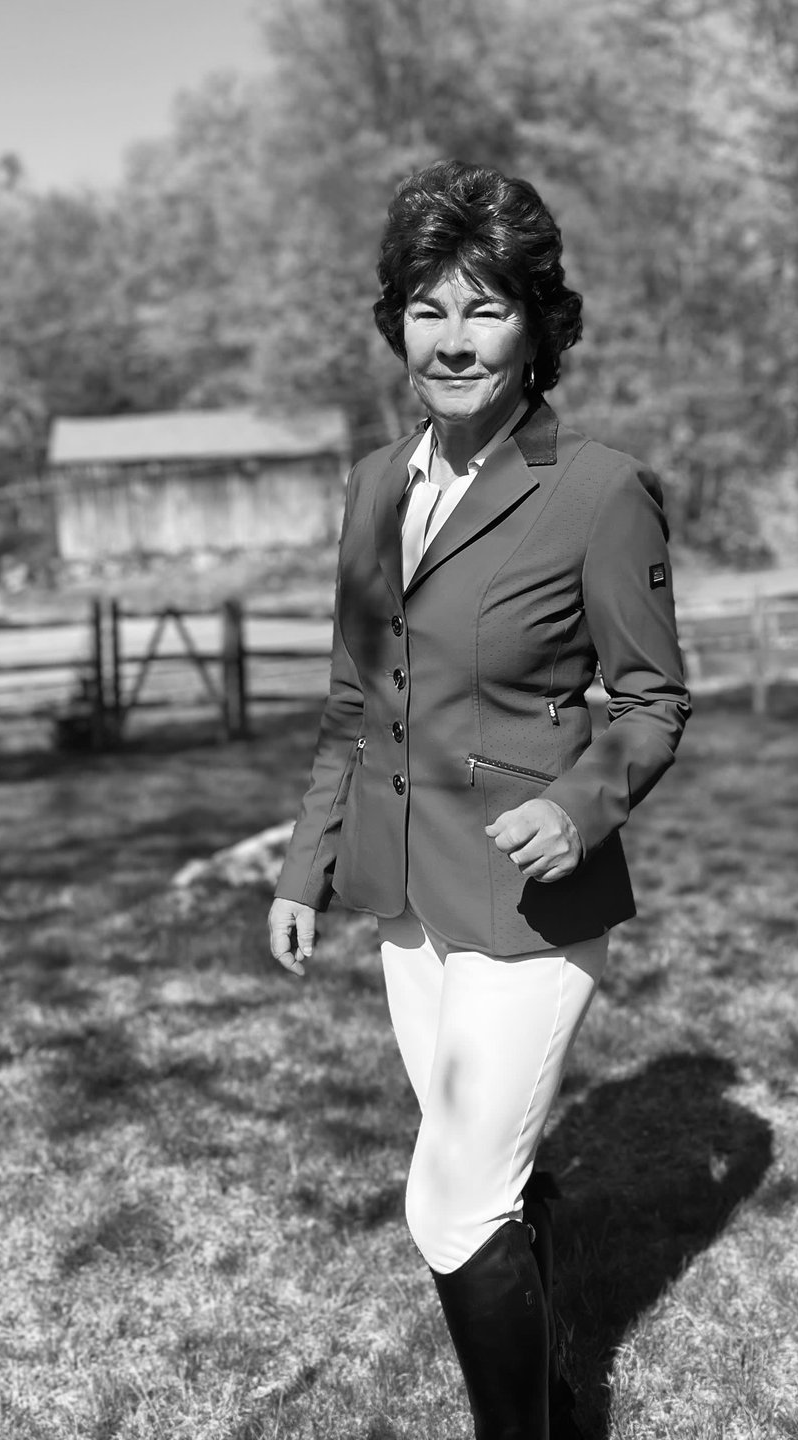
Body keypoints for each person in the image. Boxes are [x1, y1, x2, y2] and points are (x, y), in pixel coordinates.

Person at [267, 159, 690, 1440]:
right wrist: (303, 867)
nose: (451, 339)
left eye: (483, 308)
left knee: (446, 1203)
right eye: (426, 308)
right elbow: (355, 701)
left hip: (530, 902)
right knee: (485, 1190)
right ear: (395, 321)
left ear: (534, 326)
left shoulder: (596, 490)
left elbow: (652, 700)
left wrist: (576, 806)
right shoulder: (370, 485)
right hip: (402, 894)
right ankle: (555, 1383)